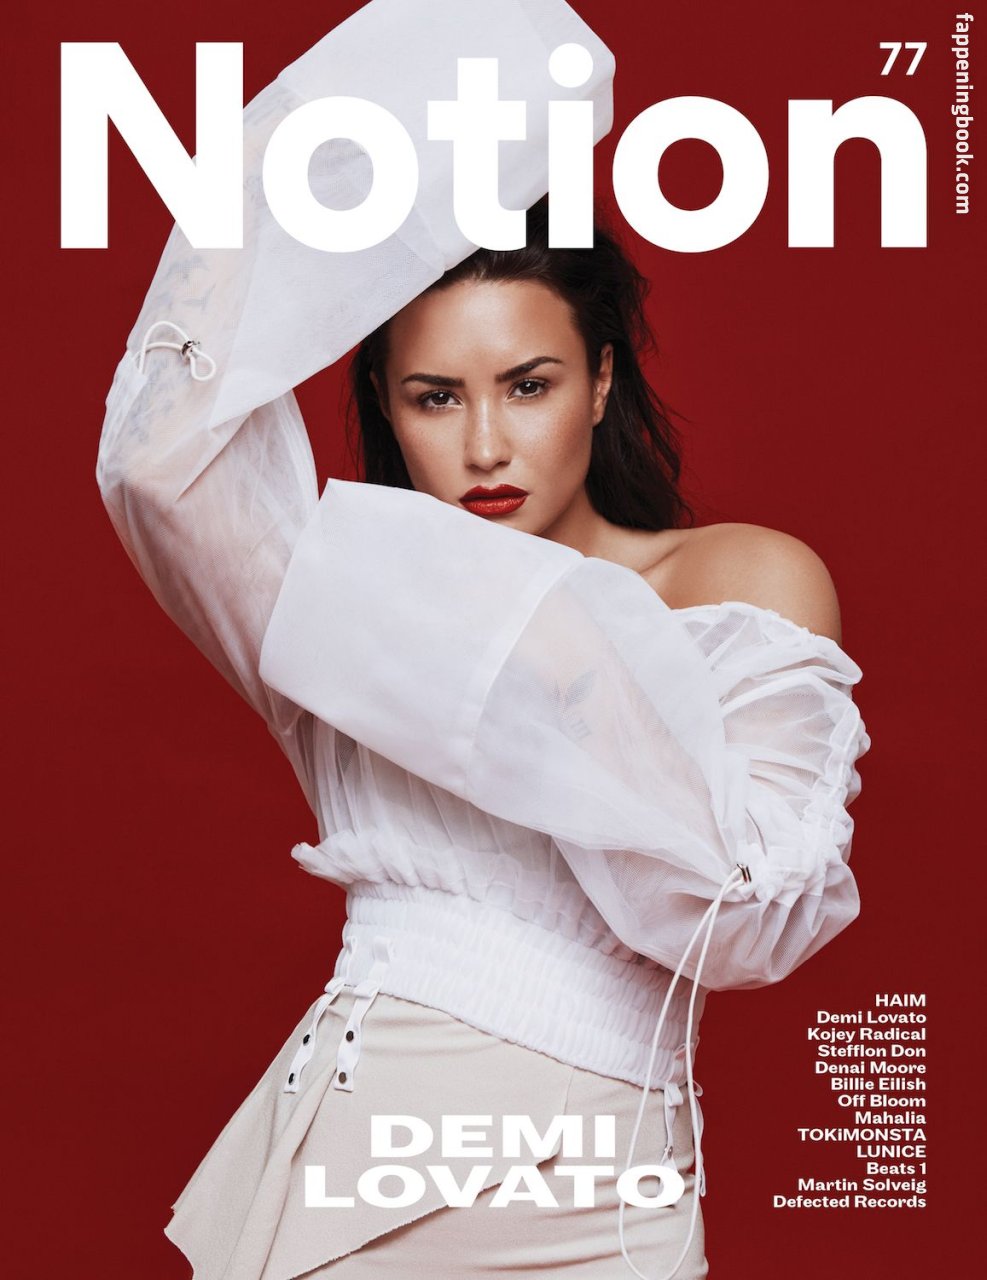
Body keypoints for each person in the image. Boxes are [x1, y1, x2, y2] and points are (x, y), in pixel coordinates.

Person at [96, 3, 869, 1277]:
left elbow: (747, 919)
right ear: (387, 407)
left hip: (605, 1193)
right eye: (434, 397)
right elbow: (156, 457)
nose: (486, 445)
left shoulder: (737, 580)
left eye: (529, 384)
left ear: (601, 380)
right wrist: (280, 163)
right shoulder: (349, 600)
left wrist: (555, 656)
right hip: (359, 1179)